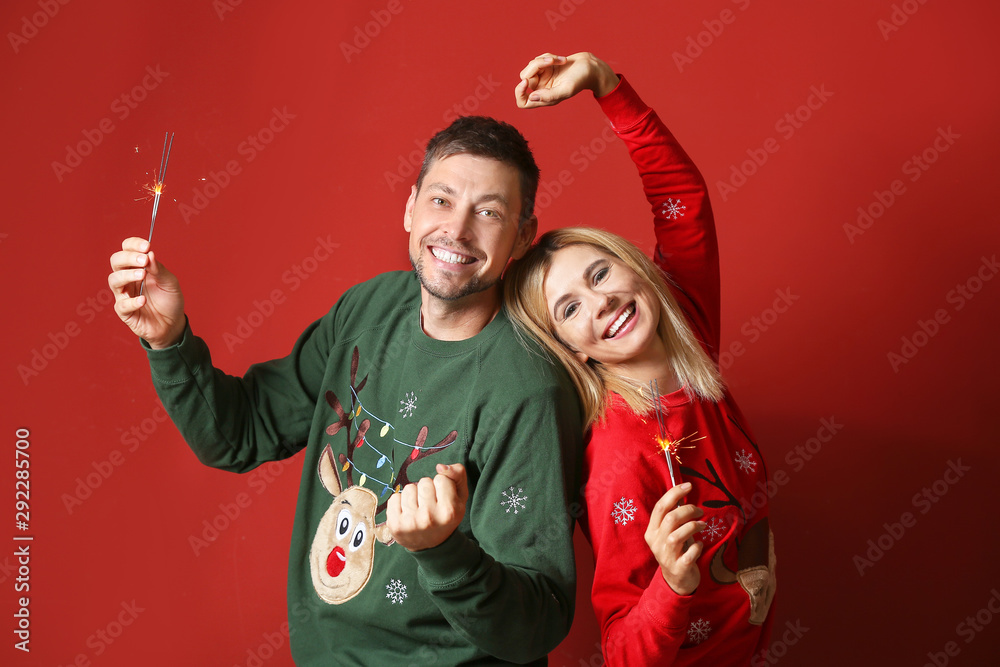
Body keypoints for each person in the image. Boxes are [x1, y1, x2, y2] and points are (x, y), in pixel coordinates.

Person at [107, 112, 583, 665]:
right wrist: (169, 342)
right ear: (409, 208)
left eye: (489, 212)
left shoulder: (530, 390)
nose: (456, 230)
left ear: (523, 236)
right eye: (441, 200)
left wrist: (443, 551)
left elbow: (536, 625)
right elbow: (238, 435)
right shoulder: (370, 308)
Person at [506, 52, 777, 665]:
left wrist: (607, 85)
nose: (600, 303)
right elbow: (623, 651)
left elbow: (683, 200)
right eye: (569, 310)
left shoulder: (687, 327)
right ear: (569, 348)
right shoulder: (620, 460)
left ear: (636, 265)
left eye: (600, 273)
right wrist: (670, 588)